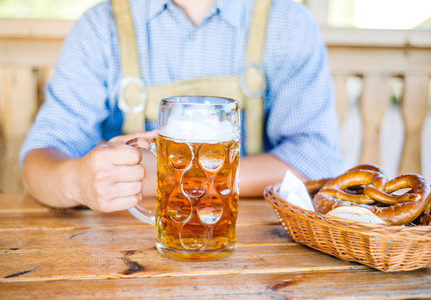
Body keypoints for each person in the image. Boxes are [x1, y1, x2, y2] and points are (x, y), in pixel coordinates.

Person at [20, 0, 344, 212]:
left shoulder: (287, 23)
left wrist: (161, 178)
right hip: (124, 253)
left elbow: (318, 161)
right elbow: (37, 163)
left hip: (258, 253)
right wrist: (75, 181)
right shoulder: (100, 27)